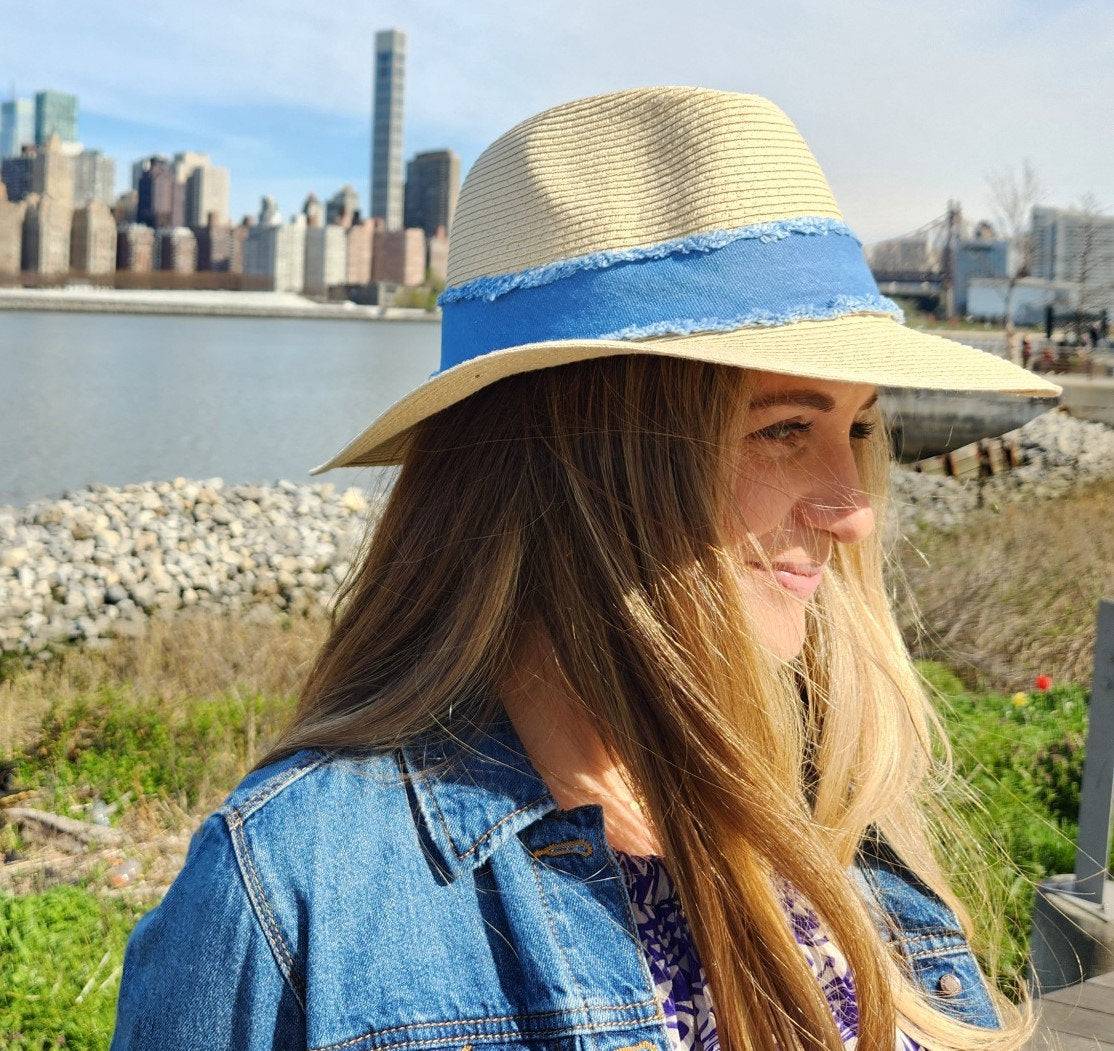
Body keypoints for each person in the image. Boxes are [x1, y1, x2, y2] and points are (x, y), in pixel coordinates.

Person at [110, 87, 1063, 1051]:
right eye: (783, 429)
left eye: (855, 428)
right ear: (584, 462)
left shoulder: (845, 808)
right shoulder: (295, 894)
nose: (853, 508)